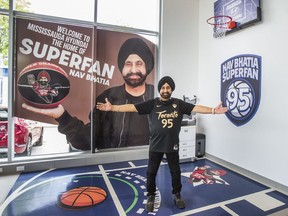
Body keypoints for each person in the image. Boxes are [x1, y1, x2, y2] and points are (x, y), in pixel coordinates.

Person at [96, 76, 228, 212]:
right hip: (156, 145)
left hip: (172, 145)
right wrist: (112, 108)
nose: (165, 90)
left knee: (175, 172)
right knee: (151, 173)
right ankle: (151, 196)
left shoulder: (179, 104)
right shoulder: (152, 104)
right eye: (163, 87)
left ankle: (177, 195)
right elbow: (131, 107)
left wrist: (213, 110)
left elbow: (196, 107)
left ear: (171, 89)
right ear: (160, 90)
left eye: (168, 87)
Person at [22, 37, 155, 150]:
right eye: (128, 64)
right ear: (122, 68)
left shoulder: (157, 96)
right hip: (113, 168)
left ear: (146, 67)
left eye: (139, 64)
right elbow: (87, 140)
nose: (133, 69)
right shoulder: (107, 98)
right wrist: (63, 117)